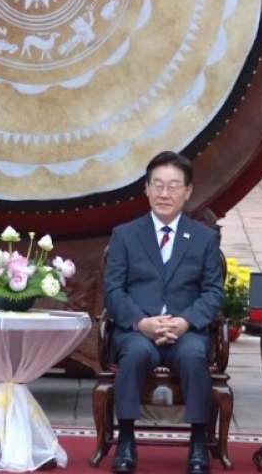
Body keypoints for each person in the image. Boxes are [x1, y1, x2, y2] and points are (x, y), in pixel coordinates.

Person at [102, 151, 224, 474]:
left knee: (194, 356)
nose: (164, 194)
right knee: (134, 354)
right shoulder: (125, 235)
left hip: (185, 332)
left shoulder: (205, 239)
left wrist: (185, 322)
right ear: (146, 188)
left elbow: (213, 293)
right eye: (157, 185)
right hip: (137, 331)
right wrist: (142, 322)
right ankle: (126, 440)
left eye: (173, 186)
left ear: (188, 191)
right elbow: (113, 291)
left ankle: (198, 442)